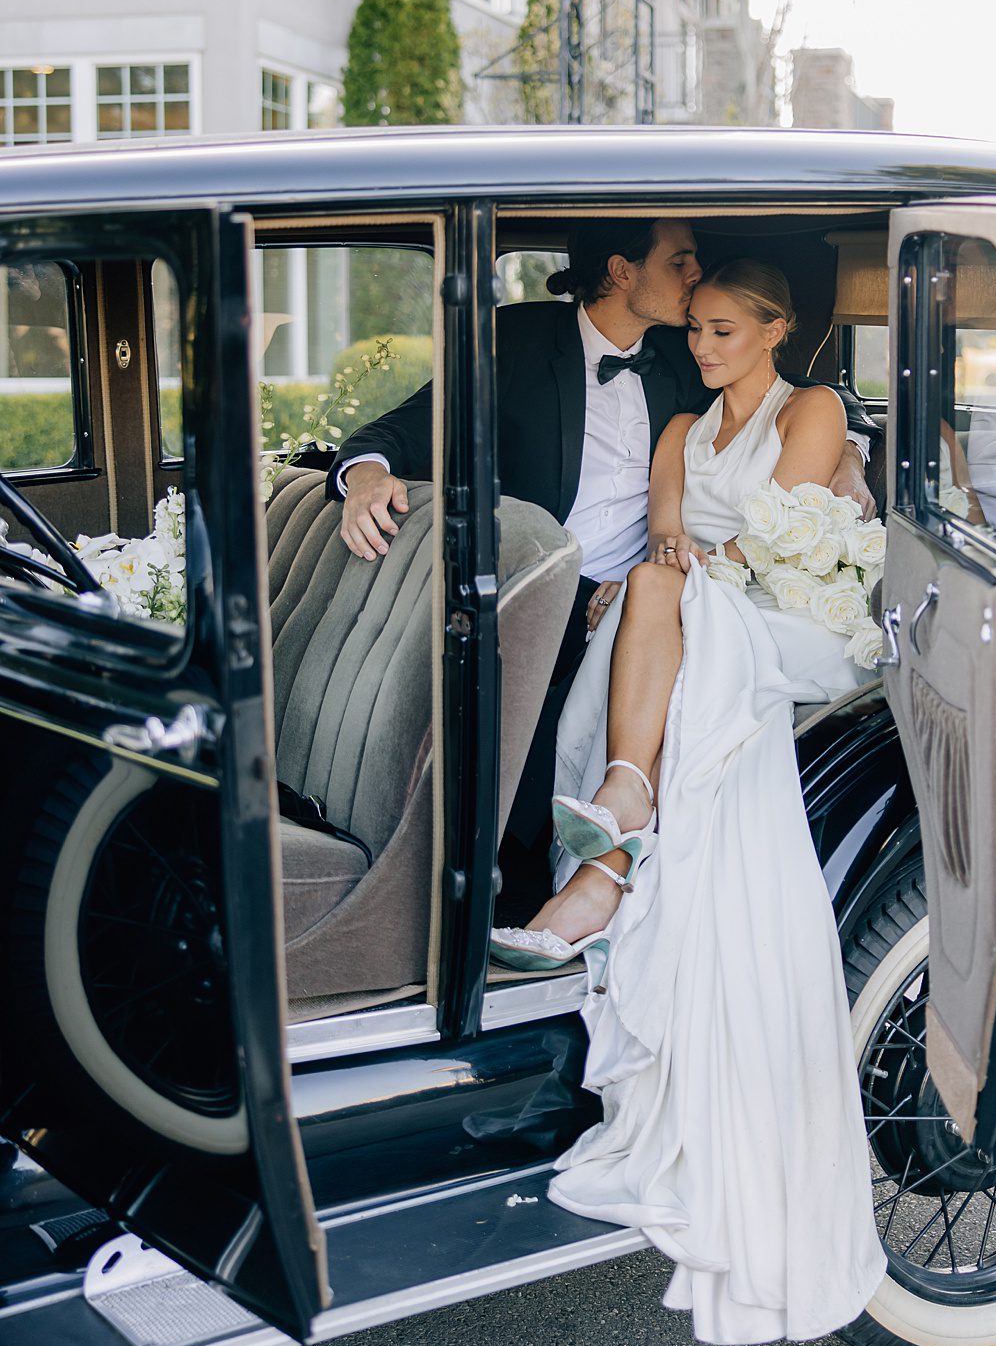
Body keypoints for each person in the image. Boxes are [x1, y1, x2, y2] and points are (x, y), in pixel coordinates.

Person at [491, 258, 887, 1346]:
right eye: (698, 332)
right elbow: (671, 537)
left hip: (799, 622)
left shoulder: (813, 408)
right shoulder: (676, 431)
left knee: (669, 601)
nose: (703, 350)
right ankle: (617, 849)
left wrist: (679, 570)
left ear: (775, 329)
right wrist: (664, 569)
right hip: (712, 612)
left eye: (722, 332)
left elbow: (770, 537)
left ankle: (617, 831)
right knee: (659, 596)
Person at [327, 220, 879, 907]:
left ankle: (570, 878)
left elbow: (801, 387)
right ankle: (479, 888)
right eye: (680, 260)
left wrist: (850, 452)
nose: (694, 277)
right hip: (543, 587)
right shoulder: (518, 340)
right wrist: (367, 474)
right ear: (622, 270)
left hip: (650, 588)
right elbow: (408, 424)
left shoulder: (688, 347)